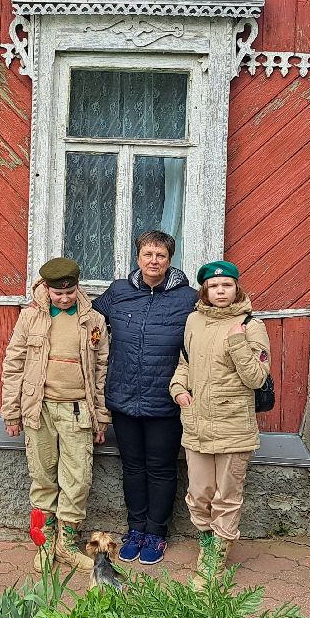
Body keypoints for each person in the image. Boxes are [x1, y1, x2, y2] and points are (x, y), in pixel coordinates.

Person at [91, 230, 198, 566]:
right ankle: (135, 528)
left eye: (161, 256)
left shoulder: (188, 298)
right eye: (148, 255)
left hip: (165, 400)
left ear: (170, 260)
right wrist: (43, 298)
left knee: (162, 468)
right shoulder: (119, 292)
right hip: (123, 395)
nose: (154, 261)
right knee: (133, 466)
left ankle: (157, 532)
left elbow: (214, 324)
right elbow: (87, 318)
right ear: (138, 258)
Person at [1, 257, 110, 574]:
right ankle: (45, 544)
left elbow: (101, 371)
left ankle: (66, 545)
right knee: (43, 478)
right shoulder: (30, 318)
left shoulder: (94, 321)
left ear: (77, 287)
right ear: (46, 288)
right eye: (58, 293)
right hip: (40, 409)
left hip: (78, 410)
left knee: (78, 481)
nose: (64, 299)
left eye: (70, 292)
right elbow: (13, 366)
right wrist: (12, 411)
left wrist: (101, 417)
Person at [170, 260, 270, 573]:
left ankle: (219, 554)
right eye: (214, 286)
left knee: (227, 496)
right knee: (198, 494)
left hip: (233, 426)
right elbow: (184, 363)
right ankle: (206, 543)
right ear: (205, 291)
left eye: (226, 285)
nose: (220, 291)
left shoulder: (251, 325)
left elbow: (256, 378)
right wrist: (177, 388)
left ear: (236, 287)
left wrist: (237, 340)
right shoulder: (193, 321)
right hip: (197, 422)